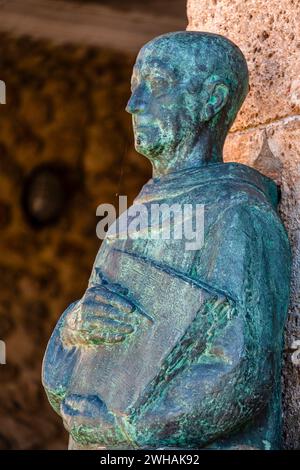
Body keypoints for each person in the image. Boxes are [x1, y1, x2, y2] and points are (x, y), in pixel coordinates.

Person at [43, 32, 291, 450]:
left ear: (211, 100)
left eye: (155, 84)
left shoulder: (237, 215)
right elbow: (71, 377)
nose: (133, 103)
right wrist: (75, 325)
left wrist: (133, 430)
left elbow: (243, 371)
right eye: (133, 85)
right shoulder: (128, 221)